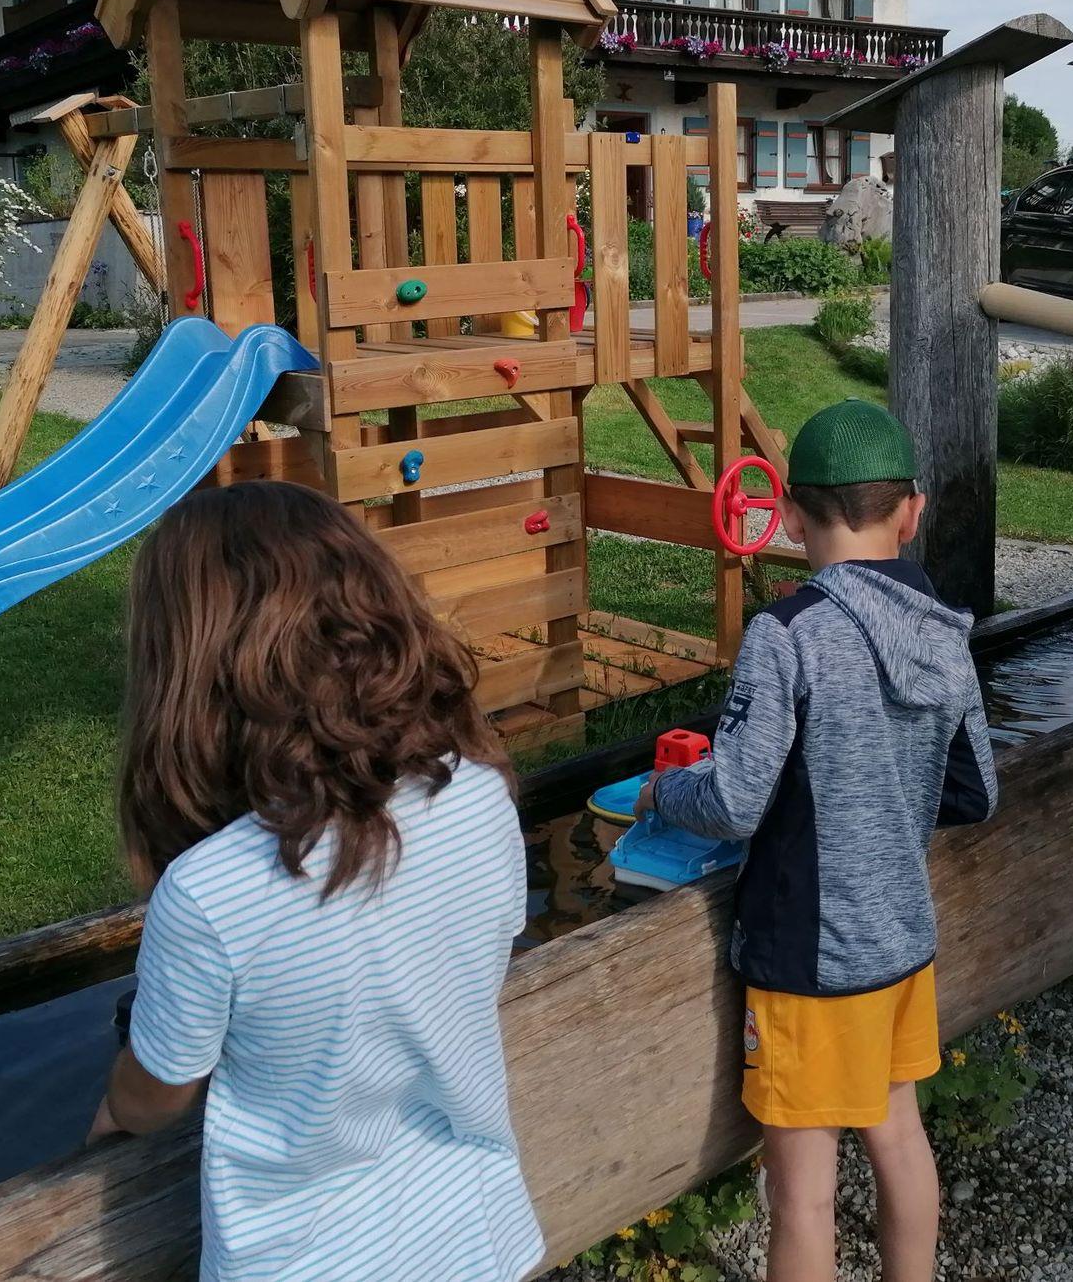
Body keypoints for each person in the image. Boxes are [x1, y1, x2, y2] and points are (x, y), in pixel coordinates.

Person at [87, 482, 541, 1282]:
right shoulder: (476, 794)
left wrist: (116, 1103)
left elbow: (156, 1098)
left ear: (189, 668)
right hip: (476, 1236)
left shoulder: (210, 893)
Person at [637, 398, 998, 1282]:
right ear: (912, 512)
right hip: (901, 942)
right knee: (900, 1137)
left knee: (802, 1195)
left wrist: (663, 791)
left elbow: (733, 802)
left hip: (811, 956)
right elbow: (974, 790)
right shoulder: (945, 631)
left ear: (792, 518)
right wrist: (884, 799)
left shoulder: (788, 633)